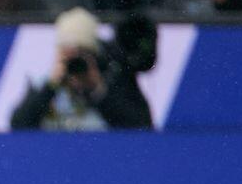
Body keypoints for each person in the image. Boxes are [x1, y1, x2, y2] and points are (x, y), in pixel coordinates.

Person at [8, 8, 154, 131]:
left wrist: (98, 91)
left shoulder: (114, 81)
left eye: (80, 53)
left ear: (93, 56)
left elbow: (142, 128)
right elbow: (18, 126)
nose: (74, 61)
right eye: (67, 53)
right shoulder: (43, 85)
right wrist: (51, 86)